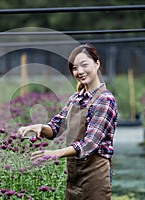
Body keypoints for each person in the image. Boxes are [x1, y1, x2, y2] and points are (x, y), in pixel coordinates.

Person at [18, 43, 118, 200]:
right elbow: (56, 127)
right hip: (74, 177)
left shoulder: (105, 100)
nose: (79, 72)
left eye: (84, 65)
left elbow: (89, 144)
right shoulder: (75, 98)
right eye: (75, 68)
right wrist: (40, 127)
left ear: (97, 64)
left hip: (95, 177)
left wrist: (55, 153)